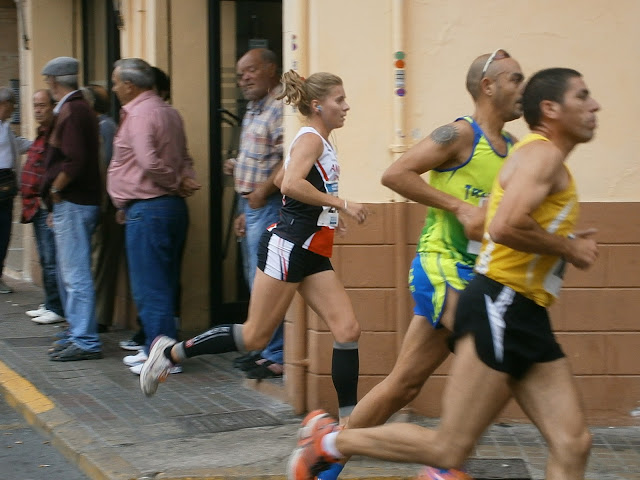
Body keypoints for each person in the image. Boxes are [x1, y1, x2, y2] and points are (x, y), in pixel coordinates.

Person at [288, 67, 600, 480]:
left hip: (523, 308)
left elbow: (503, 220)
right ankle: (331, 442)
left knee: (573, 441)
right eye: (582, 96)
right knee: (450, 443)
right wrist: (567, 247)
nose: (594, 105)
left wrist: (557, 239)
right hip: (475, 288)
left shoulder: (518, 148)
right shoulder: (490, 141)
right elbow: (503, 224)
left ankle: (339, 444)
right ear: (550, 108)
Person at [316, 49, 525, 480]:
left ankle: (322, 459)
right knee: (487, 342)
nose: (524, 88)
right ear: (489, 86)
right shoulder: (459, 135)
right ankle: (444, 464)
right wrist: (458, 207)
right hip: (442, 265)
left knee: (403, 385)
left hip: (481, 275)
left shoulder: (517, 150)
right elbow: (396, 173)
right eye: (515, 80)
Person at [140, 70, 368, 425]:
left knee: (348, 330)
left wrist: (325, 216)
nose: (347, 106)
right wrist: (339, 204)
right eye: (339, 100)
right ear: (317, 105)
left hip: (311, 249)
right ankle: (168, 352)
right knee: (255, 335)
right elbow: (291, 184)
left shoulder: (318, 140)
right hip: (290, 246)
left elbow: (280, 178)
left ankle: (350, 425)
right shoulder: (310, 139)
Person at [107, 58, 201, 375]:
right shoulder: (169, 112)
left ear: (130, 86)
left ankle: (162, 358)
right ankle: (155, 348)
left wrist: (174, 181)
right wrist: (184, 179)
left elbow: (147, 162)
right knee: (164, 282)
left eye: (116, 82)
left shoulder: (139, 113)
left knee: (151, 288)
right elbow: (185, 158)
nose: (113, 87)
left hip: (150, 207)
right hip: (166, 207)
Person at [224, 48, 286, 379]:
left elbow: (286, 159)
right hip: (249, 206)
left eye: (251, 70)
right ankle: (263, 348)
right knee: (254, 280)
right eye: (240, 74)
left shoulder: (279, 106)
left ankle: (276, 353)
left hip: (268, 204)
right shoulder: (252, 107)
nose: (244, 78)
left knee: (267, 282)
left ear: (271, 69)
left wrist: (261, 192)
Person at [41, 56, 103, 361]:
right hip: (76, 202)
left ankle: (86, 339)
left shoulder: (73, 109)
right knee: (72, 273)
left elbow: (74, 160)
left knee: (75, 274)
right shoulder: (77, 108)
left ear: (53, 81)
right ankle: (78, 332)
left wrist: (55, 189)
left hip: (74, 201)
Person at [20, 89, 65, 324]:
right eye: (35, 105)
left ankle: (56, 307)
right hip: (35, 205)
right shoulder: (41, 133)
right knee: (46, 258)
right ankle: (50, 302)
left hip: (45, 205)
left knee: (51, 259)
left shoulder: (55, 133)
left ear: (52, 106)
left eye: (42, 105)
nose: (38, 110)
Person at [83, 84, 122, 333]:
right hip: (99, 203)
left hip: (106, 205)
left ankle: (99, 317)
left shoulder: (104, 127)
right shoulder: (98, 126)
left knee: (102, 260)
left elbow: (106, 166)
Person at [0, 86, 32, 294]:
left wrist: (37, 145)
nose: (13, 109)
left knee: (4, 233)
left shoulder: (5, 127)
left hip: (7, 186)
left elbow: (17, 145)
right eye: (11, 105)